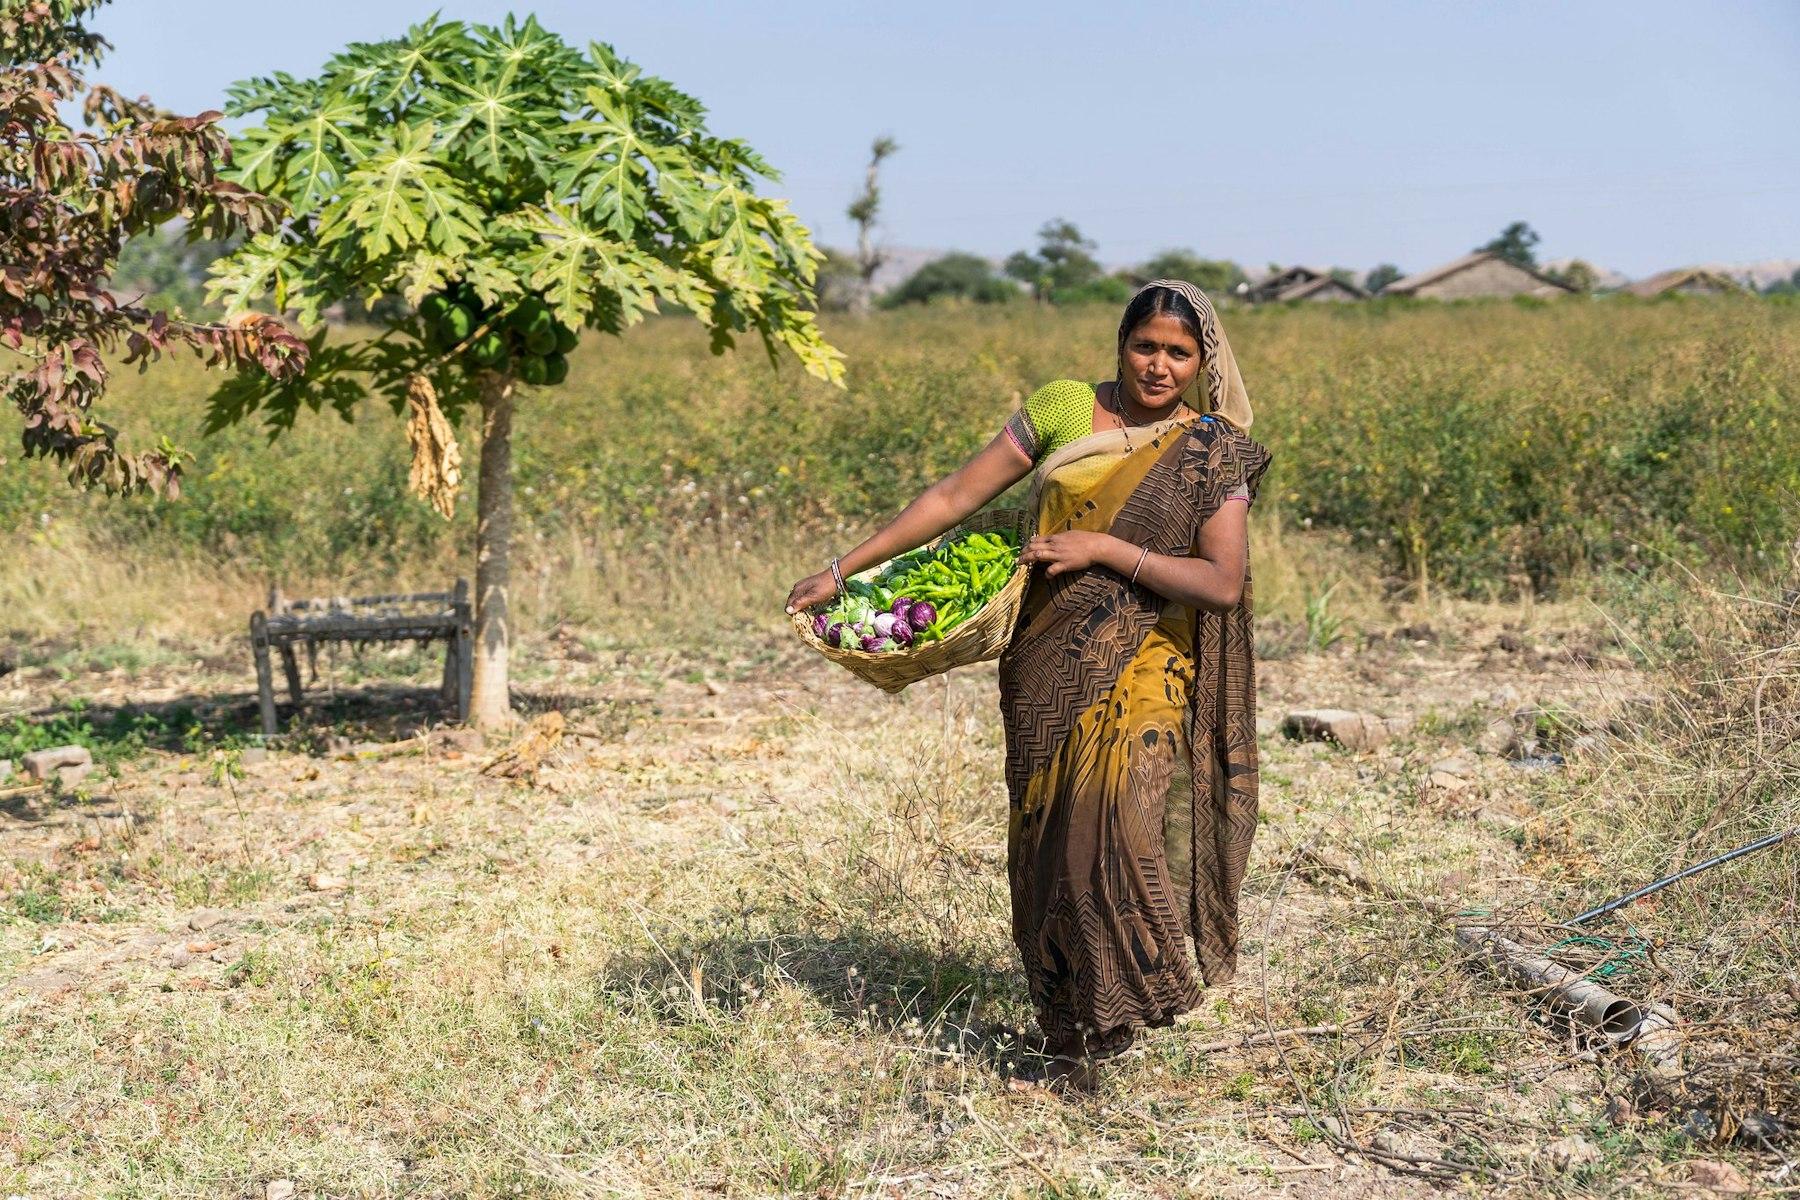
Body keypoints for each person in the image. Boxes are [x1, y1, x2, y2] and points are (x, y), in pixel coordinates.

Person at [785, 280, 1272, 1089]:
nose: (1159, 366)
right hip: (1048, 659)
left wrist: (1104, 551)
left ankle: (1125, 1003)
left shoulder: (1210, 448)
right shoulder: (1063, 408)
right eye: (1145, 346)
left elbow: (1220, 582)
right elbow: (952, 496)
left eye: (1179, 353)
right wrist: (843, 570)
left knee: (1106, 823)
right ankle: (1073, 1032)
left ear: (1203, 361)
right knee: (1048, 845)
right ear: (1121, 343)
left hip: (1150, 660)